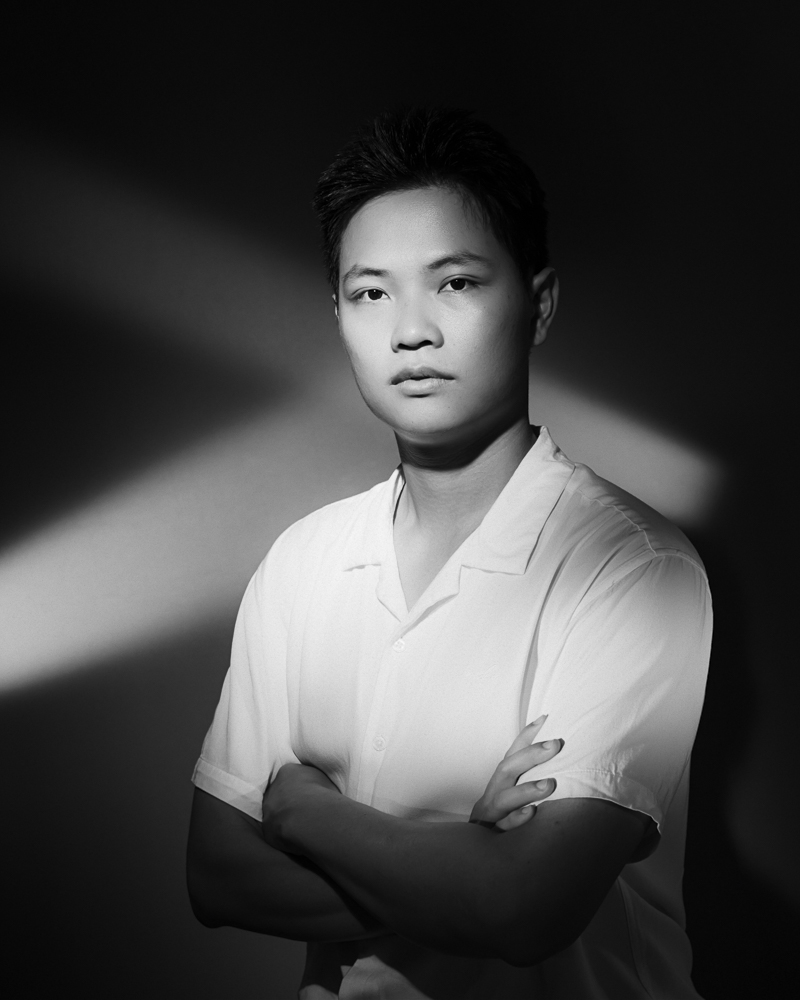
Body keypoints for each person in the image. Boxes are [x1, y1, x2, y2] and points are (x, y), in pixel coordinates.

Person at [186, 107, 712, 999]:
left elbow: (521, 911)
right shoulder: (303, 562)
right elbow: (217, 878)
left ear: (538, 303)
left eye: (457, 283)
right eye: (371, 292)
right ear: (340, 315)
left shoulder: (636, 569)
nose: (411, 331)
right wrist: (460, 854)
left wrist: (303, 808)